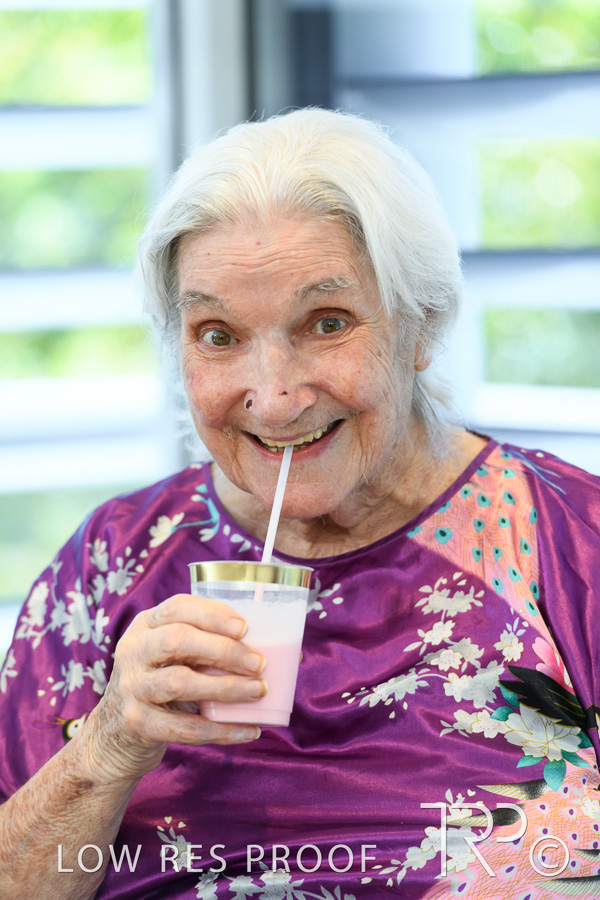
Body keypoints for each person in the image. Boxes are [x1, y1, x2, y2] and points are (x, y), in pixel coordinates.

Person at [0, 108, 599, 900]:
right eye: (218, 335)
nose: (275, 397)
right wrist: (105, 747)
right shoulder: (112, 563)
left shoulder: (569, 543)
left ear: (421, 325)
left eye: (326, 323)